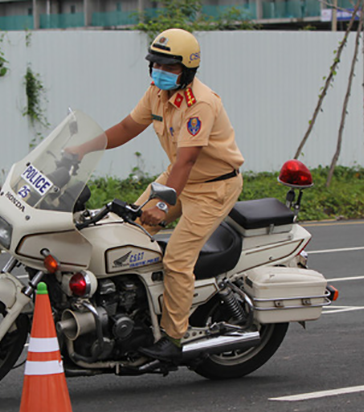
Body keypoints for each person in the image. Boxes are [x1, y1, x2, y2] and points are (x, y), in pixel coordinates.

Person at [72, 28, 244, 362]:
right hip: (180, 177)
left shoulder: (201, 103)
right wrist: (83, 149)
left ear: (188, 70)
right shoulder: (156, 93)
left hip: (213, 186)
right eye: (155, 65)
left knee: (177, 259)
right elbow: (126, 128)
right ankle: (129, 308)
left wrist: (163, 203)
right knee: (125, 233)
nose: (159, 73)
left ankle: (173, 338)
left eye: (169, 67)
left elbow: (187, 159)